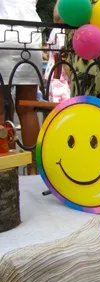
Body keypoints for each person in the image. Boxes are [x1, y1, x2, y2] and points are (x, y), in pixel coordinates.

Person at [0, 0, 43, 175]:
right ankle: (34, 169)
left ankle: (6, 168)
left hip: (2, 34)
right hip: (29, 37)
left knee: (1, 110)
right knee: (28, 108)